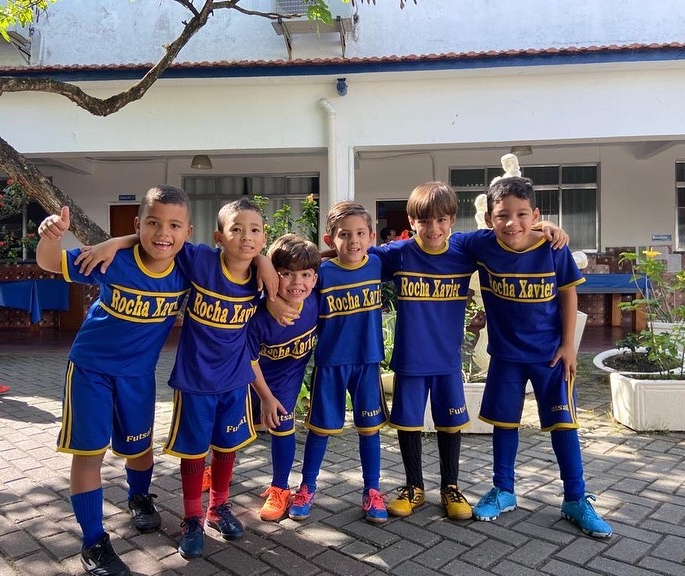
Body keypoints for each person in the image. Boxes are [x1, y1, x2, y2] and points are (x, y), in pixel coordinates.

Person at [83, 198, 273, 559]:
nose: (246, 237)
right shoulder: (199, 260)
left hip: (235, 380)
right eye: (236, 229)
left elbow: (293, 286)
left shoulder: (262, 278)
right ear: (218, 236)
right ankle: (191, 517)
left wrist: (266, 265)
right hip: (194, 380)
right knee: (193, 451)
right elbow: (157, 240)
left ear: (264, 238)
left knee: (226, 448)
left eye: (254, 231)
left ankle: (219, 508)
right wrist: (113, 242)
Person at [36, 186, 194, 576]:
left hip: (139, 376)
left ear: (188, 233)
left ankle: (139, 497)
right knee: (89, 453)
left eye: (175, 225)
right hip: (91, 369)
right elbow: (52, 264)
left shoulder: (189, 270)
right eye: (153, 222)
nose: (163, 232)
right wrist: (50, 237)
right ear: (138, 224)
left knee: (139, 450)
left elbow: (237, 260)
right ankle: (93, 542)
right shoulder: (115, 260)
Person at [465, 175, 612, 538]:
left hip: (551, 357)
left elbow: (568, 296)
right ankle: (504, 490)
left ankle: (575, 498)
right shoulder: (482, 245)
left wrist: (568, 346)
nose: (511, 222)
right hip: (506, 356)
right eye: (501, 215)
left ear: (536, 214)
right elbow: (435, 243)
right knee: (504, 422)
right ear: (488, 219)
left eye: (521, 214)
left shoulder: (553, 248)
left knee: (564, 426)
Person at [369, 182, 478, 521]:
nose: (434, 229)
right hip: (410, 359)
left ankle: (450, 486)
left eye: (441, 220)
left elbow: (509, 235)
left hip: (447, 360)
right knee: (409, 424)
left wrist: (543, 227)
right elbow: (352, 255)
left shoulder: (465, 250)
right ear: (412, 221)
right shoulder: (399, 253)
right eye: (425, 221)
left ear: (453, 220)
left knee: (450, 424)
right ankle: (413, 486)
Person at [286, 201, 389, 524]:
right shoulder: (322, 274)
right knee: (320, 429)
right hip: (330, 363)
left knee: (369, 430)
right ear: (331, 240)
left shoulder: (378, 265)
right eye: (345, 235)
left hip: (368, 361)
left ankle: (372, 490)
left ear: (371, 236)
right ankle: (307, 487)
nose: (354, 241)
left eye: (360, 233)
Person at [247, 234, 321, 522]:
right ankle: (214, 475)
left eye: (304, 275)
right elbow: (250, 360)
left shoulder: (315, 299)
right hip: (252, 378)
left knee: (282, 427)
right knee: (226, 427)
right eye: (286, 275)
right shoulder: (258, 315)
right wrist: (264, 397)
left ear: (315, 279)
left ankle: (280, 487)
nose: (296, 282)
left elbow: (331, 259)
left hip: (287, 379)